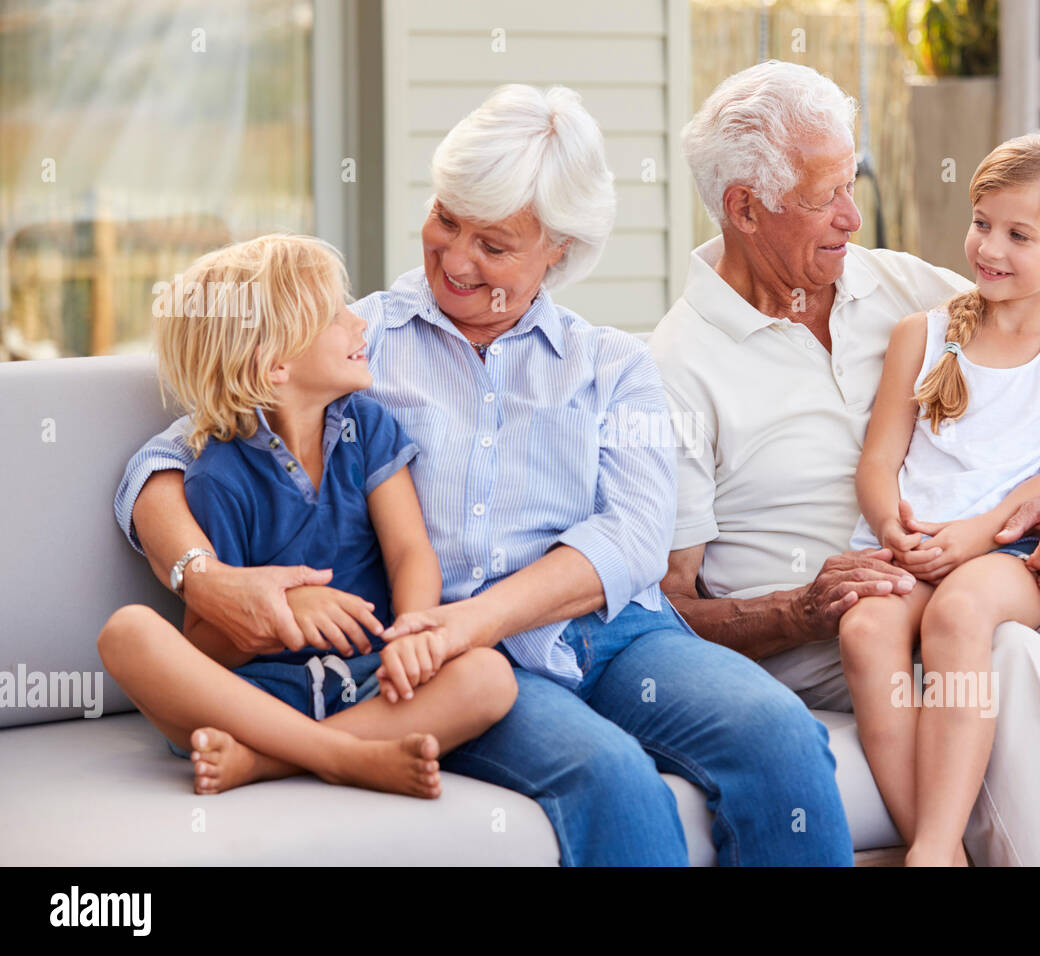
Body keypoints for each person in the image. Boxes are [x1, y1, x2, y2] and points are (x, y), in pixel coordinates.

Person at [113, 85, 854, 865]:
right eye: (446, 220)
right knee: (612, 779)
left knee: (779, 736)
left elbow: (633, 535)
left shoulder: (612, 365)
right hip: (456, 661)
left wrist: (478, 618)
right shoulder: (361, 344)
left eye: (494, 246)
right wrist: (205, 579)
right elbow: (164, 458)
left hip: (614, 639)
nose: (457, 259)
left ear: (557, 251)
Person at [652, 60, 1040, 865]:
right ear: (746, 208)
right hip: (833, 644)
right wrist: (799, 608)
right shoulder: (675, 369)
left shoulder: (894, 285)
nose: (855, 218)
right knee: (1012, 657)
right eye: (827, 199)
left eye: (852, 184)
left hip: (976, 574)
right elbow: (666, 609)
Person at [98, 234, 517, 798]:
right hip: (257, 698)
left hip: (370, 678)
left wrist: (414, 632)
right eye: (335, 316)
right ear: (274, 365)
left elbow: (410, 551)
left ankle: (266, 764)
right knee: (129, 634)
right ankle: (343, 756)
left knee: (487, 677)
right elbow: (205, 644)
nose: (359, 324)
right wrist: (280, 615)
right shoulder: (216, 475)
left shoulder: (367, 428)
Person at [841, 131, 1040, 865]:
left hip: (1006, 553)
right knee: (867, 630)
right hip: (915, 542)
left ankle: (932, 848)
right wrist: (891, 527)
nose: (988, 246)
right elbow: (879, 461)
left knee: (960, 612)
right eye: (981, 222)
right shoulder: (923, 335)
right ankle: (938, 846)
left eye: (1018, 234)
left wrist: (971, 539)